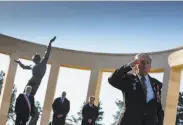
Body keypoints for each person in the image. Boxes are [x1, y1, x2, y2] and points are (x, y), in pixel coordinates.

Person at [108, 53, 163, 125]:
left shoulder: (157, 84)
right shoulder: (128, 79)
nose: (145, 65)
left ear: (150, 66)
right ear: (135, 65)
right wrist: (128, 66)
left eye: (148, 62)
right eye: (142, 62)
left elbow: (159, 108)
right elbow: (112, 79)